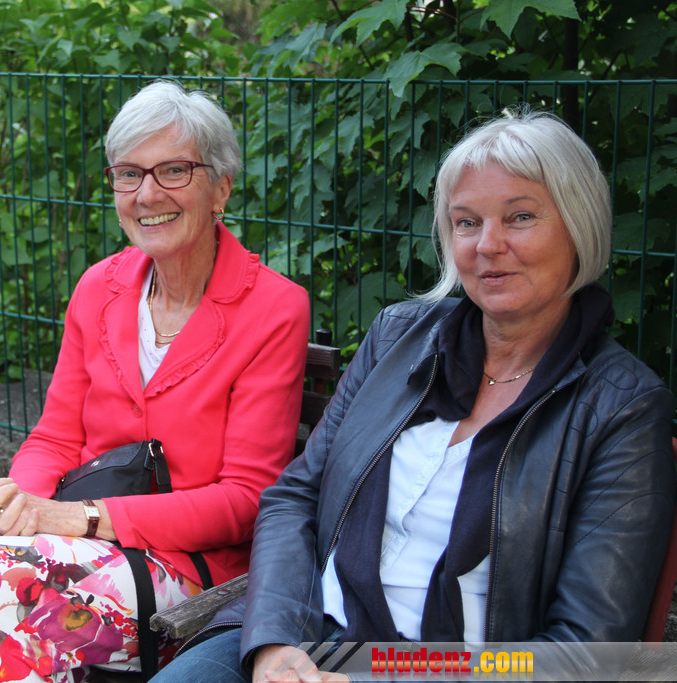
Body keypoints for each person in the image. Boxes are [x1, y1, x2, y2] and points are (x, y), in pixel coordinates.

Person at [151, 108, 676, 683]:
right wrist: (275, 644)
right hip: (302, 632)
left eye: (520, 217)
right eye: (466, 222)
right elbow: (295, 497)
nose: (488, 244)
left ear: (579, 226)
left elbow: (584, 654)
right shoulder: (398, 339)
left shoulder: (622, 407)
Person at [0, 80, 311, 682]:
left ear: (221, 188)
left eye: (174, 170)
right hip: (79, 552)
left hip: (192, 575)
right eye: (128, 174)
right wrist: (20, 502)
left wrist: (80, 519)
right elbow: (54, 437)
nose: (147, 194)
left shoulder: (273, 309)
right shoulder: (99, 287)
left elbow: (244, 500)